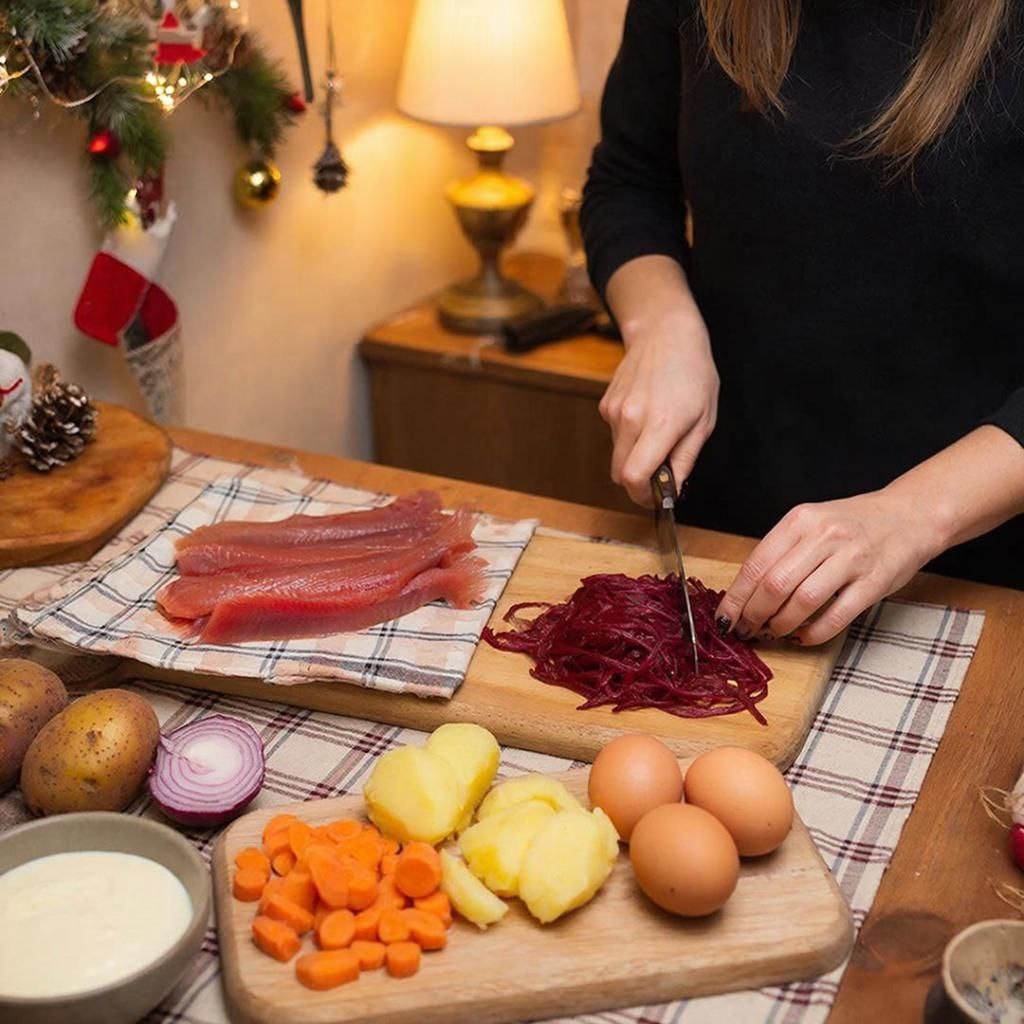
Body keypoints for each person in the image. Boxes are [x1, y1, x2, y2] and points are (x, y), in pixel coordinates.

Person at [580, 0, 1024, 645]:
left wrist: (911, 515)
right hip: (730, 540)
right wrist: (661, 326)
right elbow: (629, 179)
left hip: (980, 577)